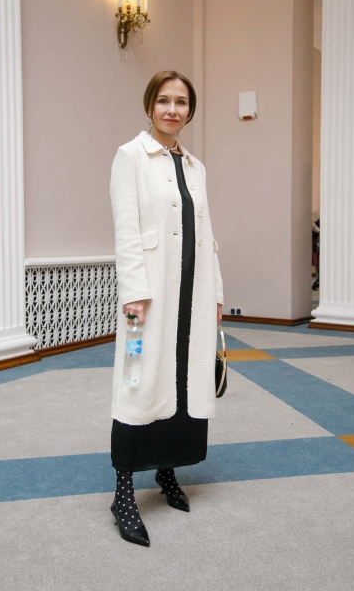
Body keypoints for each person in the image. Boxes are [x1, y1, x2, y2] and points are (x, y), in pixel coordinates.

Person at [109, 71, 224, 547]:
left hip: (192, 293)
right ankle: (123, 493)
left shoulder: (196, 167)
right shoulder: (130, 156)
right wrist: (134, 292)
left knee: (182, 381)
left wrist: (216, 293)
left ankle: (166, 469)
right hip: (151, 295)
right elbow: (126, 230)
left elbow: (208, 234)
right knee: (138, 381)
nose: (172, 109)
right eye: (163, 100)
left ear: (189, 111)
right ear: (149, 106)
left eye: (181, 102)